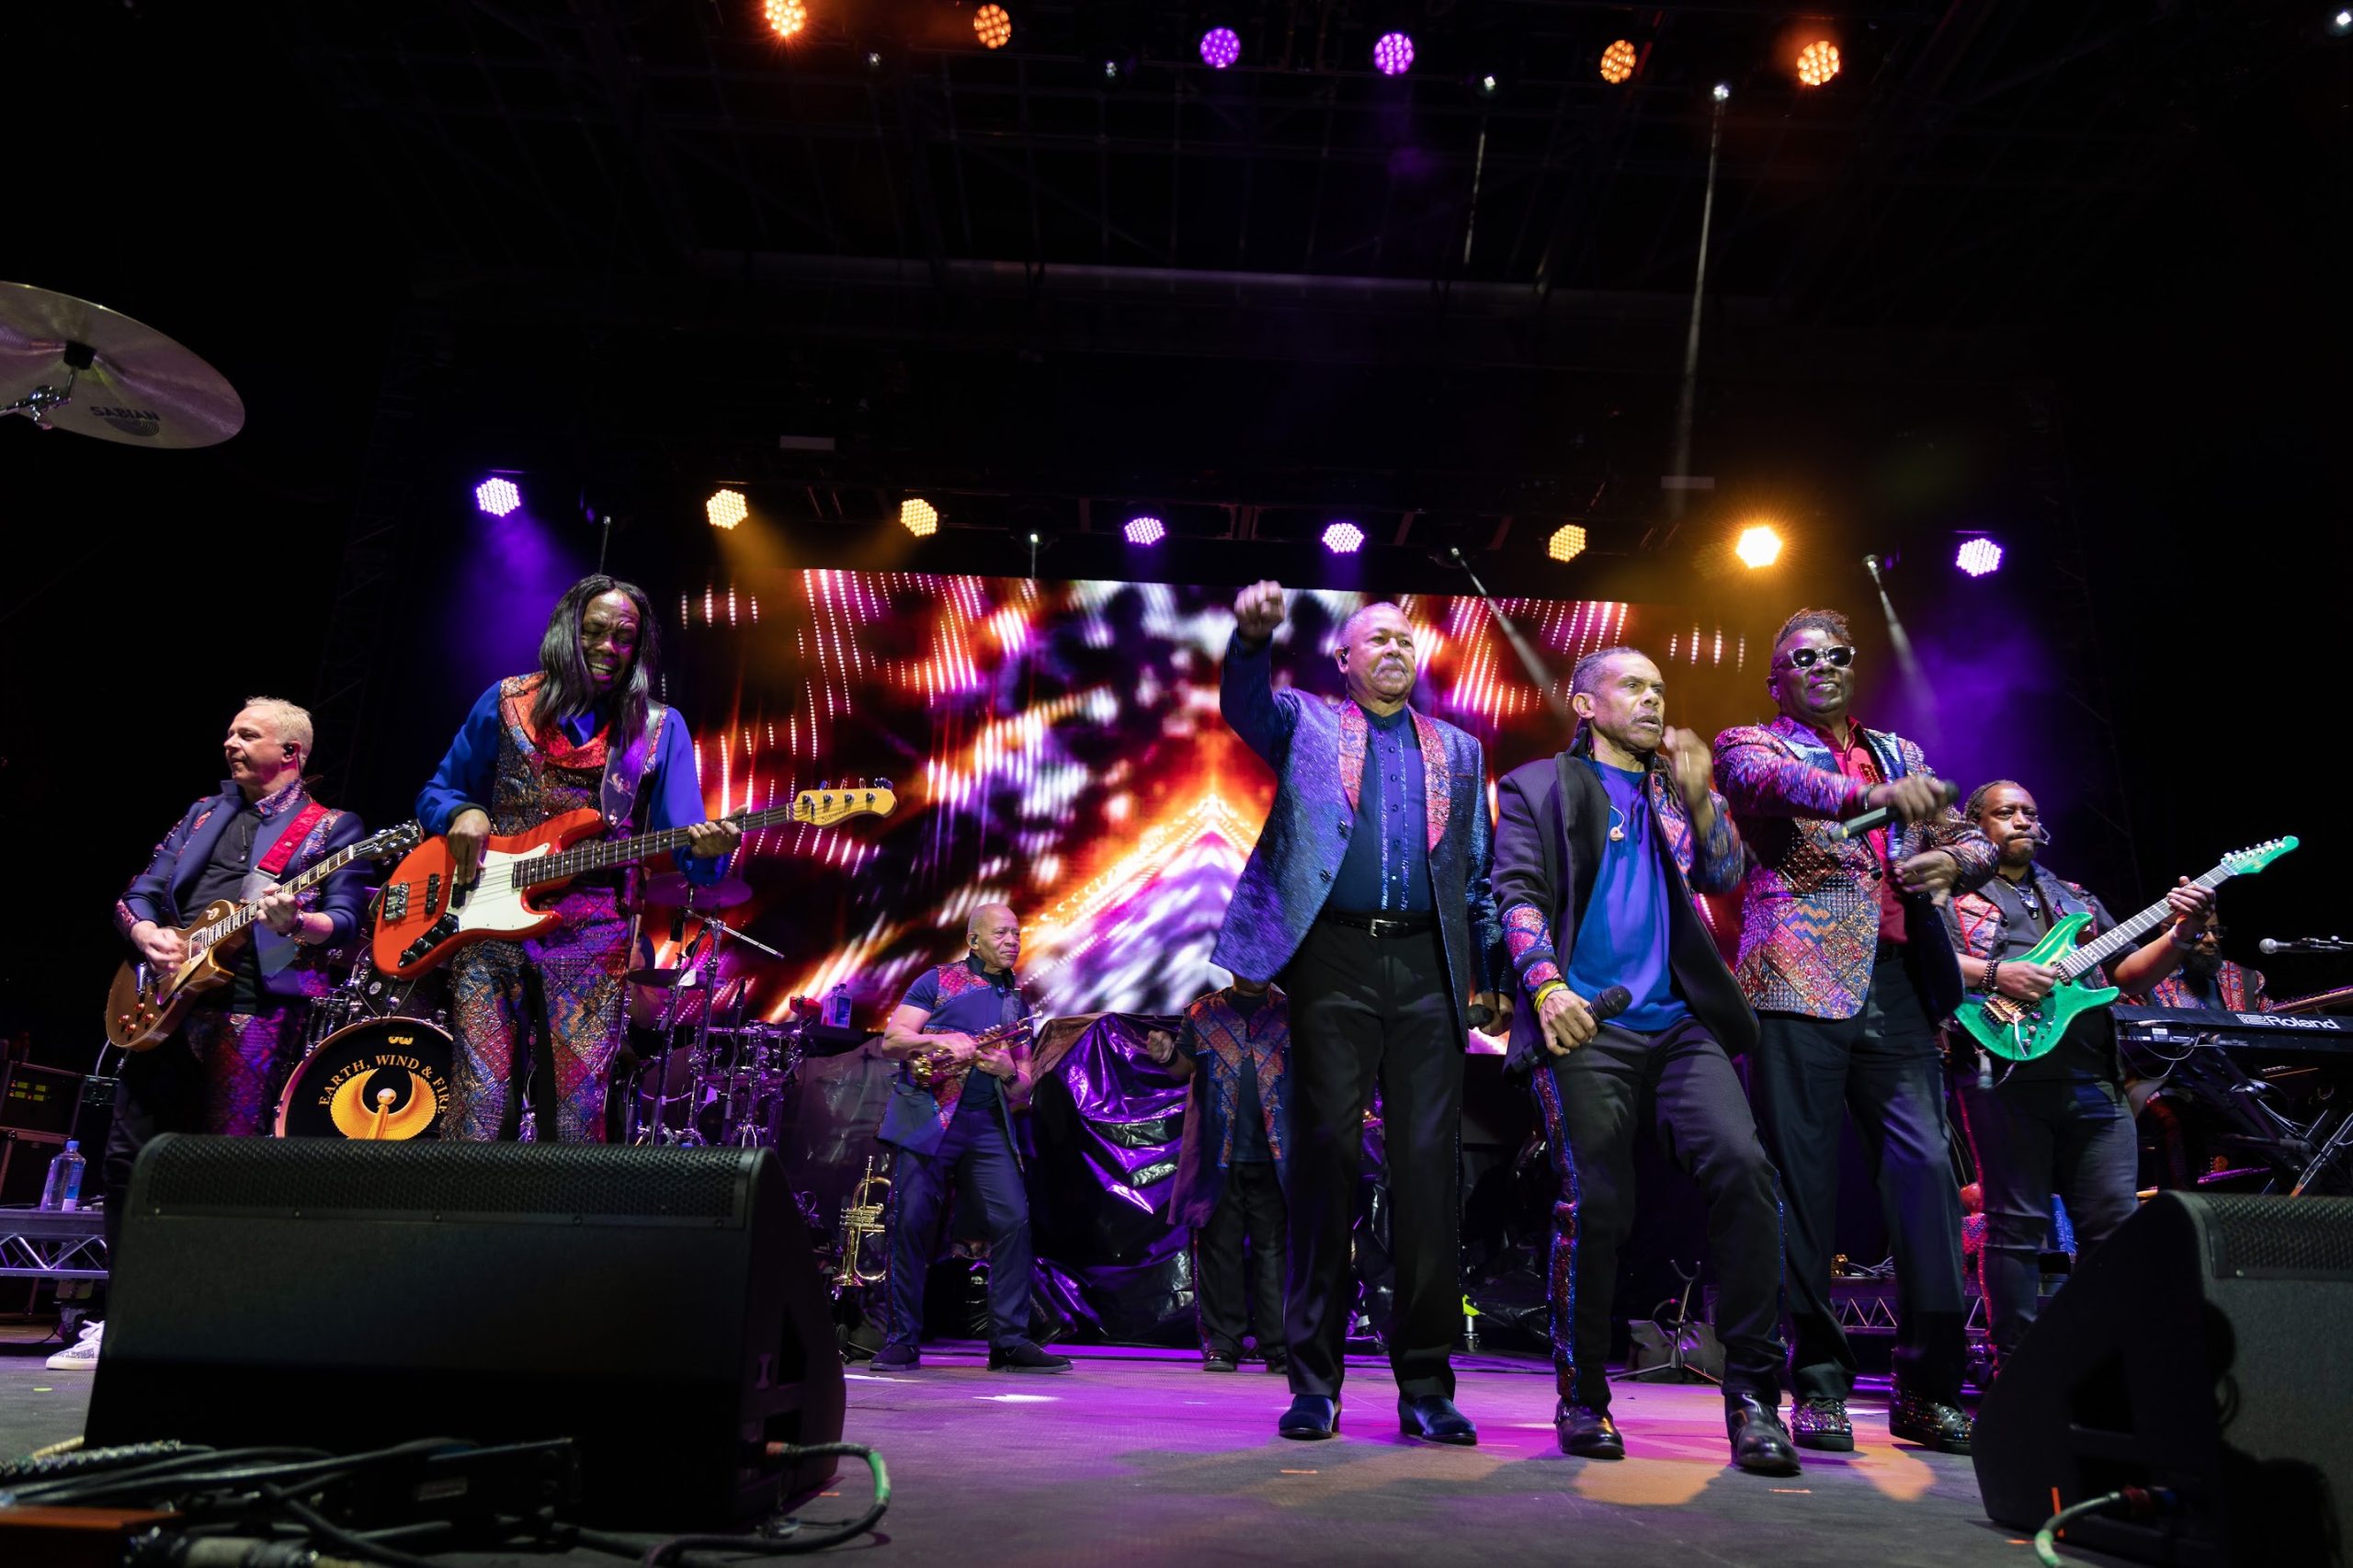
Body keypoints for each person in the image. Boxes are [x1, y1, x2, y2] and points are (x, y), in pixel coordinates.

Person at [1214, 583, 1511, 1445]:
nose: (1394, 650)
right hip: (1333, 962)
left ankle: (1426, 1385)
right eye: (1376, 639)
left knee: (1427, 1177)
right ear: (1342, 660)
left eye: (1405, 641)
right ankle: (1314, 1383)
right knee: (1326, 1164)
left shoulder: (1458, 748)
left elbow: (1477, 872)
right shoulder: (1305, 722)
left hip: (1426, 968)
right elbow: (1243, 706)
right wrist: (1249, 642)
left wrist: (1491, 971)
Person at [1492, 646, 1799, 1475]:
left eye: (1660, 688)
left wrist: (1701, 795)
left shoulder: (1676, 791)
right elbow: (1516, 894)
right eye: (1633, 687)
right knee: (1596, 1201)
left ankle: (1754, 1401)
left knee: (1745, 1171)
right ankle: (1582, 1398)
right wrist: (1546, 986)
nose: (1654, 700)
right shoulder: (1538, 787)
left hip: (1678, 1024)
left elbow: (1724, 873)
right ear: (1585, 704)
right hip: (1586, 1022)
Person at [1712, 608, 1996, 1455]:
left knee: (1927, 1180)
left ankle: (1928, 1389)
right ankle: (1819, 1386)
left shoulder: (1901, 752)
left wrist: (1953, 862)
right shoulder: (1750, 743)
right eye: (1803, 658)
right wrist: (1871, 798)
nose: (1822, 666)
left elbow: (1970, 838)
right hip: (1795, 984)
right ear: (1778, 680)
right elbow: (1771, 789)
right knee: (1802, 1191)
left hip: (1899, 986)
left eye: (1835, 655)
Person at [77, 699, 371, 1371]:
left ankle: (199, 1319)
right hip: (162, 1005)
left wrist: (297, 922)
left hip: (251, 1011)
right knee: (126, 1161)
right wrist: (146, 934)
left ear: (290, 753)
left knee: (220, 1167)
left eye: (247, 734)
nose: (229, 742)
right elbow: (139, 893)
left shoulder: (332, 828)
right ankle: (123, 1312)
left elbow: (347, 921)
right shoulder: (202, 813)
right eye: (231, 732)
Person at [417, 575, 739, 1142]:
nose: (608, 647)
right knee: (479, 1105)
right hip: (487, 922)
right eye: (594, 631)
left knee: (575, 1115)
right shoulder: (506, 701)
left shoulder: (658, 728)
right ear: (567, 630)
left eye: (624, 638)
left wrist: (709, 854)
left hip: (593, 935)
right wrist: (462, 812)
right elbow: (437, 792)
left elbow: (686, 844)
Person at [1943, 780, 2214, 1372]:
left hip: (2094, 1078)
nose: (2021, 820)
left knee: (2114, 1225)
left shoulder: (2075, 898)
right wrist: (1996, 974)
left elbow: (2128, 975)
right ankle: (2014, 1366)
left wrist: (2180, 933)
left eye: (2029, 812)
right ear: (1975, 826)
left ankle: (2105, 1362)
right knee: (2016, 1226)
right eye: (2006, 812)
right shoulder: (1952, 896)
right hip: (2004, 1076)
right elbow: (1927, 961)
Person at [871, 903, 1070, 1372]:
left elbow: (1023, 1087)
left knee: (1013, 1220)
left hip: (986, 1124)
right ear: (973, 940)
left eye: (1016, 934)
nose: (1012, 941)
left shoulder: (1016, 1003)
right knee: (910, 1223)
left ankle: (1009, 1342)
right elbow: (892, 1041)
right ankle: (902, 1339)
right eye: (1001, 933)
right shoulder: (937, 980)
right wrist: (937, 1041)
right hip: (927, 1117)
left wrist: (1007, 1071)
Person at [1148, 978, 1290, 1376]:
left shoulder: (1289, 1012)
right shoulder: (1203, 1011)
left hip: (1274, 1153)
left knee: (1274, 1251)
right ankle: (1224, 1343)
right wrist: (1166, 1056)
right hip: (1218, 1153)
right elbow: (1183, 1067)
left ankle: (1278, 1345)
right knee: (1219, 1248)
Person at [2139, 924, 2268, 1012]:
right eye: (2199, 931)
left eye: (2215, 931)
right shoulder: (2143, 982)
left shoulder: (2246, 979)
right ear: (2167, 930)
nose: (2211, 939)